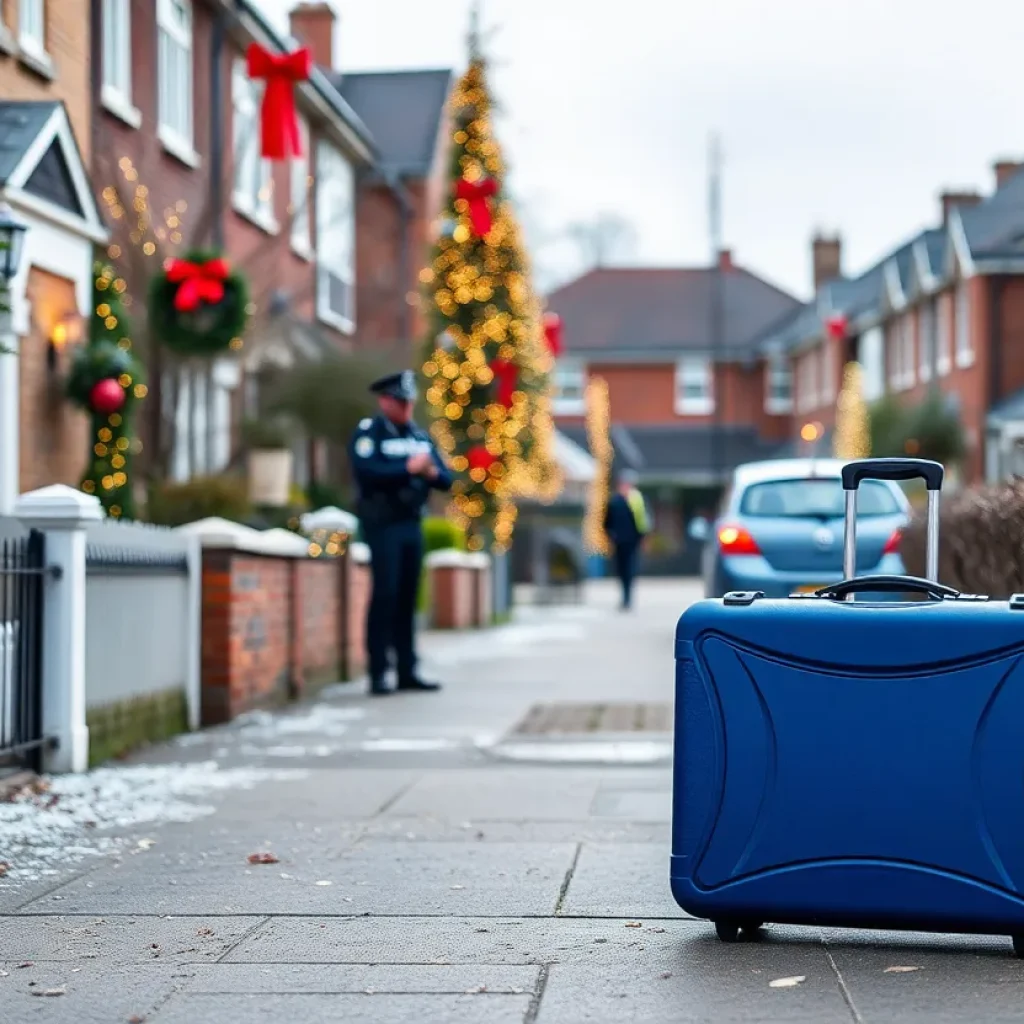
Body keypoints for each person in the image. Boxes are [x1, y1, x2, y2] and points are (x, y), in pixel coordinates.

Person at [349, 370, 453, 696]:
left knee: (408, 597)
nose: (407, 408)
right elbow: (367, 471)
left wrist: (431, 471)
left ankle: (407, 669)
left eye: (409, 402)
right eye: (400, 402)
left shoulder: (420, 437)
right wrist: (407, 469)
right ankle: (379, 670)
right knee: (386, 594)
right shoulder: (371, 433)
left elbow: (445, 479)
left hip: (411, 522)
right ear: (385, 401)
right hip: (382, 523)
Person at [603, 469, 650, 610]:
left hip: (631, 542)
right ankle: (624, 596)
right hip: (618, 542)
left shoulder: (636, 501)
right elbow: (606, 522)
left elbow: (642, 522)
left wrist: (642, 537)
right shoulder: (614, 502)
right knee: (621, 569)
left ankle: (627, 597)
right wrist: (611, 535)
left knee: (629, 568)